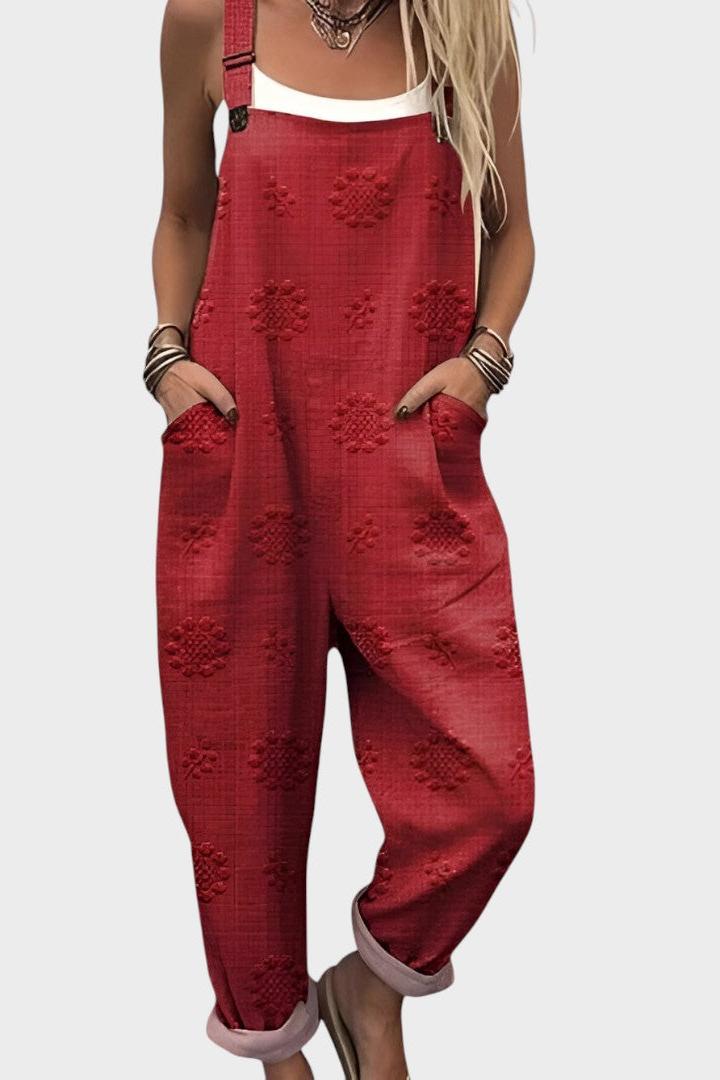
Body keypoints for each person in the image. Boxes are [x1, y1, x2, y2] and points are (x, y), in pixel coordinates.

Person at [147, 1, 535, 1076]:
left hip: (409, 459)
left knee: (490, 790)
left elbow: (512, 230)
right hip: (243, 452)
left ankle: (372, 985)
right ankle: (281, 1054)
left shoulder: (466, 27)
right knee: (237, 797)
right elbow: (183, 213)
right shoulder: (210, 19)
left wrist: (483, 366)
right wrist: (167, 360)